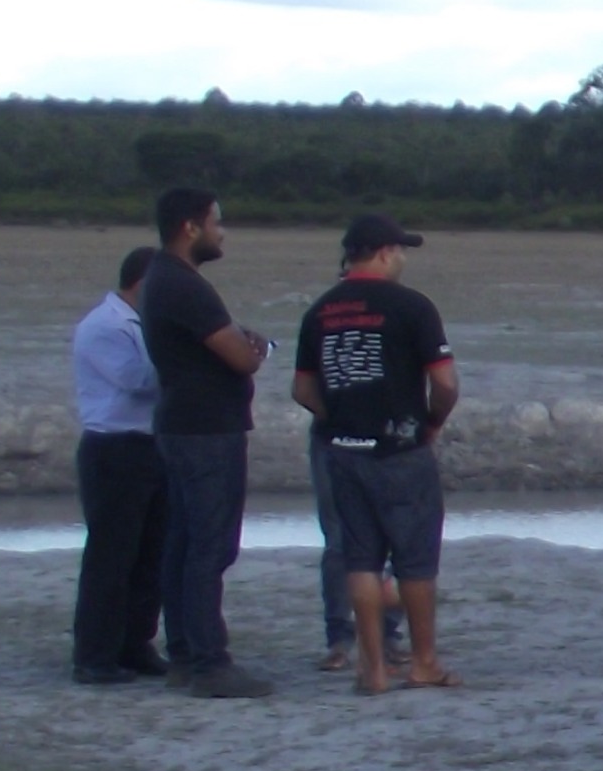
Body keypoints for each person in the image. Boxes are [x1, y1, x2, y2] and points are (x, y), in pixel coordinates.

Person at [289, 216, 460, 694]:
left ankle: (372, 670)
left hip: (342, 449)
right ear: (384, 252)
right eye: (400, 251)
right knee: (415, 561)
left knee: (359, 559)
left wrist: (338, 416)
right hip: (400, 449)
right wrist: (431, 422)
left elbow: (302, 388)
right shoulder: (412, 307)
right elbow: (445, 383)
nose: (403, 259)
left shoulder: (320, 312)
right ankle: (424, 661)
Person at [138, 186, 275, 699]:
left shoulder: (160, 279)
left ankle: (185, 655)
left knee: (184, 543)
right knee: (209, 547)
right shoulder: (184, 285)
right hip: (205, 432)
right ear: (190, 227)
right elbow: (239, 357)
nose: (222, 232)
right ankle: (209, 662)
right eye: (216, 222)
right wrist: (252, 351)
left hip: (181, 425)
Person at [69, 247, 169, 684]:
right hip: (114, 449)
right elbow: (137, 381)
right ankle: (94, 654)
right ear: (143, 284)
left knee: (151, 554)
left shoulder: (142, 323)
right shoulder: (104, 326)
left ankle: (135, 644)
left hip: (153, 446)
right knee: (111, 555)